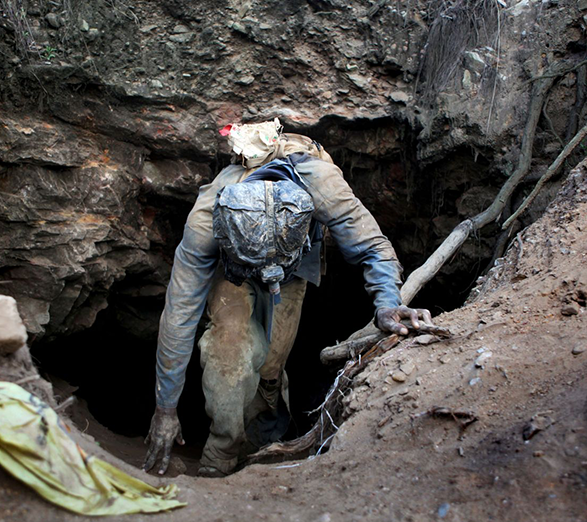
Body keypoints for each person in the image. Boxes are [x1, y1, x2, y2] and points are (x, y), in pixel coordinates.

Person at [143, 119, 432, 477]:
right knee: (228, 346)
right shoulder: (207, 221)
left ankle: (263, 448)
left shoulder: (321, 184)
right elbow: (179, 313)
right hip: (234, 269)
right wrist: (165, 409)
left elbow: (372, 247)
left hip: (295, 268)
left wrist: (387, 302)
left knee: (270, 365)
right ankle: (219, 458)